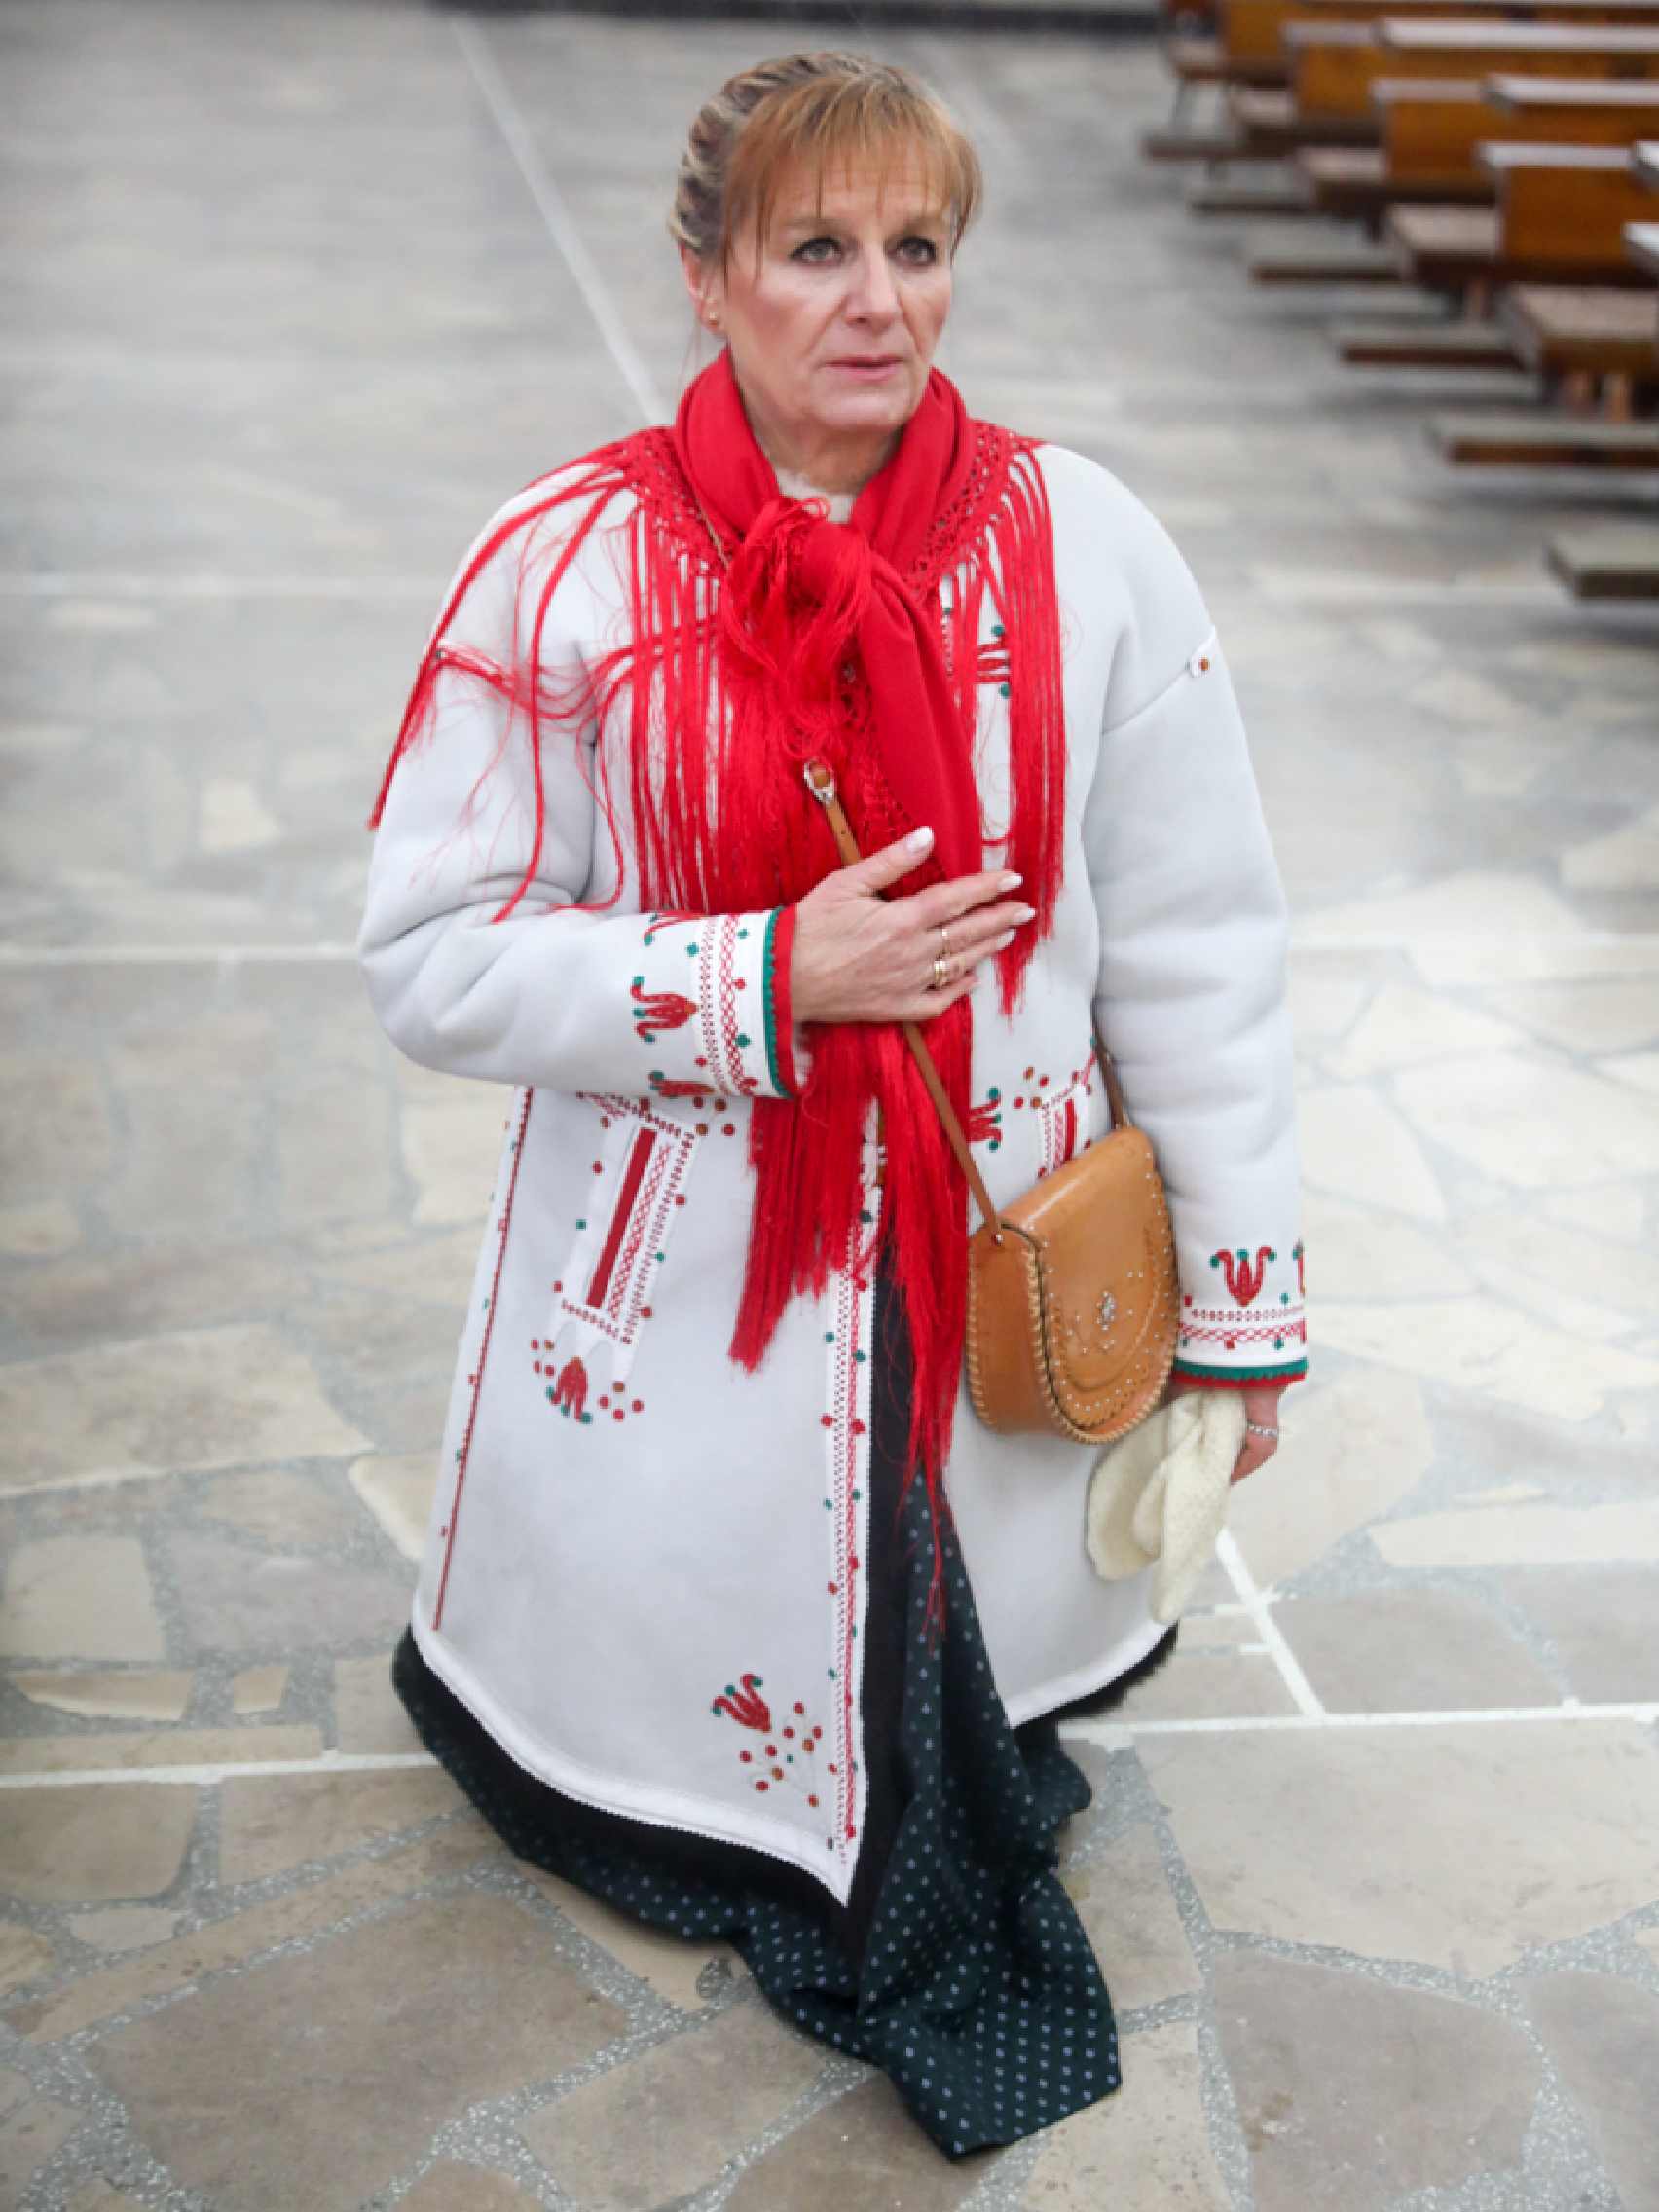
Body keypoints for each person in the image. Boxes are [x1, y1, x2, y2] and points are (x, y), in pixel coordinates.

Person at [358, 49, 1306, 2161]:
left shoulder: (1093, 550)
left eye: (918, 245)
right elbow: (429, 953)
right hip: (687, 1299)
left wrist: (1240, 1307)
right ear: (706, 277)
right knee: (700, 1721)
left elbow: (1201, 943)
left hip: (990, 1251)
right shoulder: (564, 566)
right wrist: (766, 979)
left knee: (958, 1650)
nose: (880, 300)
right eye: (815, 250)